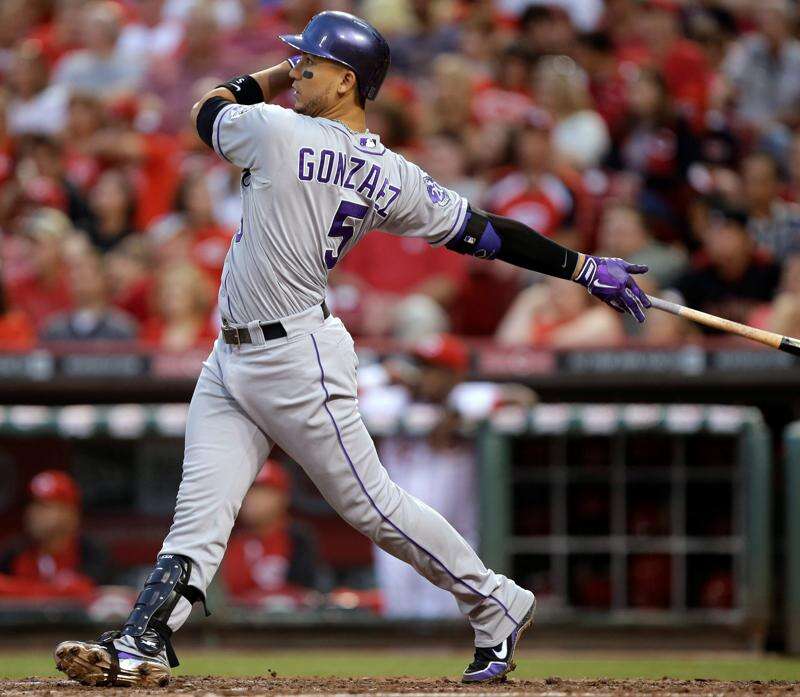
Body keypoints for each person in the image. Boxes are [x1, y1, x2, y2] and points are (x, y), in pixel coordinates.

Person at [54, 11, 650, 688]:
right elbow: (485, 233)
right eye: (296, 60)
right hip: (232, 357)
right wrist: (578, 266)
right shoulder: (389, 172)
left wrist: (270, 75)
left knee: (373, 505)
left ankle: (496, 600)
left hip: (295, 359)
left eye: (310, 62)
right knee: (199, 513)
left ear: (346, 79)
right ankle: (146, 639)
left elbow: (206, 108)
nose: (297, 69)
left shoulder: (277, 128)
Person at [222, 459, 321, 605]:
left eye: (263, 492)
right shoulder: (226, 537)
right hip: (233, 623)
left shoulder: (298, 539)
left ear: (282, 498)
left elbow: (308, 594)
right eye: (248, 492)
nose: (252, 500)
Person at [0, 470, 110, 599]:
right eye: (32, 504)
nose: (33, 513)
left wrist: (16, 589)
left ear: (70, 513)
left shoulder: (91, 552)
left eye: (45, 506)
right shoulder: (14, 551)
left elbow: (94, 593)